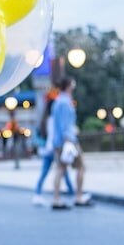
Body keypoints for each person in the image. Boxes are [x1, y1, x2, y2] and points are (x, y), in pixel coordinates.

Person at [51, 77, 92, 209]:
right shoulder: (65, 102)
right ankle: (78, 197)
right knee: (81, 167)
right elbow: (65, 124)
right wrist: (68, 140)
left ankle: (56, 199)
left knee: (60, 168)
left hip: (59, 141)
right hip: (68, 140)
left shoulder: (59, 101)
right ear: (69, 86)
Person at [32, 93, 75, 205]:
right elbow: (53, 135)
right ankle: (73, 194)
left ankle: (37, 194)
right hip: (54, 148)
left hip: (46, 150)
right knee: (63, 171)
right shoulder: (53, 120)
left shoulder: (44, 120)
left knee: (45, 172)